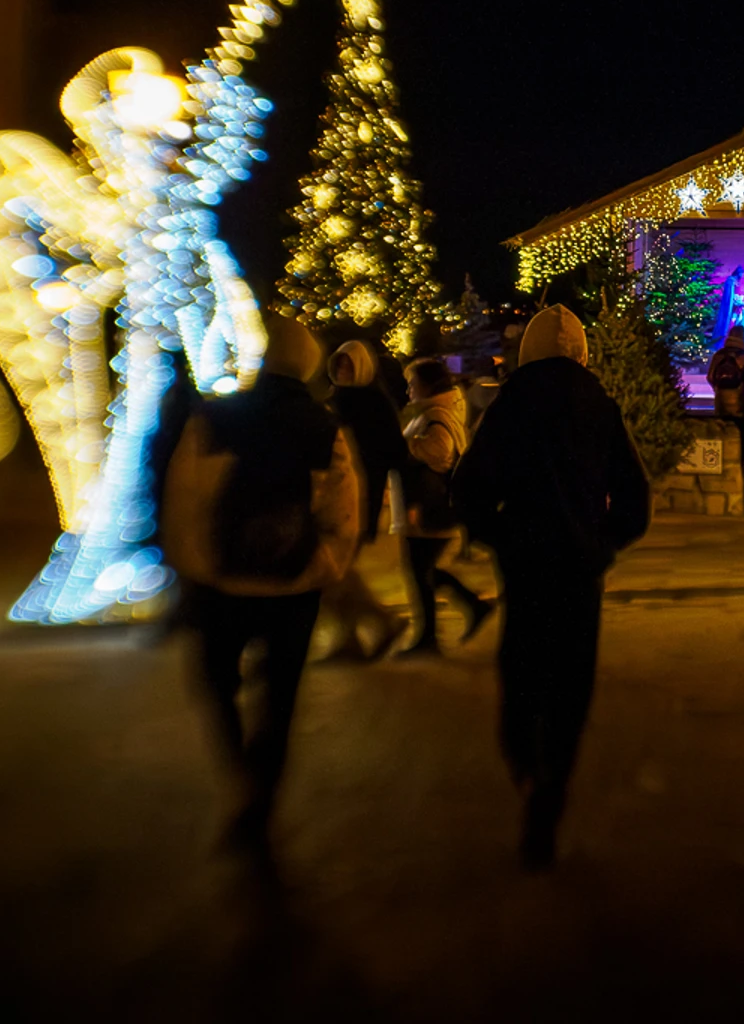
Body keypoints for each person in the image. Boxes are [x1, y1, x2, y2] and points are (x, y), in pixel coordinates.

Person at [449, 304, 650, 871]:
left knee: (522, 670)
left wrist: (500, 536)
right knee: (570, 683)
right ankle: (552, 789)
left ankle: (524, 762)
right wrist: (601, 543)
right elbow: (635, 502)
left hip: (526, 566)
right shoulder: (598, 406)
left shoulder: (511, 404)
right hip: (579, 571)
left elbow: (467, 491)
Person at [152, 312, 361, 852]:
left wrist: (201, 570)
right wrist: (321, 568)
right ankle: (262, 796)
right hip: (294, 589)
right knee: (281, 699)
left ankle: (241, 773)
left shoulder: (216, 418)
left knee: (217, 684)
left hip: (223, 587)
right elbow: (341, 514)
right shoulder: (324, 426)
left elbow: (186, 501)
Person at [394, 357, 494, 655]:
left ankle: (430, 636)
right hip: (427, 508)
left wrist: (407, 447)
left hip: (430, 508)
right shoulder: (432, 412)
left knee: (421, 572)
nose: (409, 389)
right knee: (423, 571)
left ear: (426, 385)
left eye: (413, 383)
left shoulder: (436, 415)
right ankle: (468, 609)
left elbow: (440, 456)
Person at [320, 341, 406, 659]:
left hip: (359, 496)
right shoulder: (333, 400)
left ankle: (377, 622)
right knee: (337, 568)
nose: (343, 372)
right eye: (339, 365)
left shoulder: (372, 403)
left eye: (349, 366)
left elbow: (395, 453)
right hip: (335, 494)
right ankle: (357, 633)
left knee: (333, 567)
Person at [707, 324, 744, 423]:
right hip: (739, 394)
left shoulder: (719, 354)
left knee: (721, 422)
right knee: (738, 422)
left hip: (721, 393)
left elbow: (710, 376)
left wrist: (717, 388)